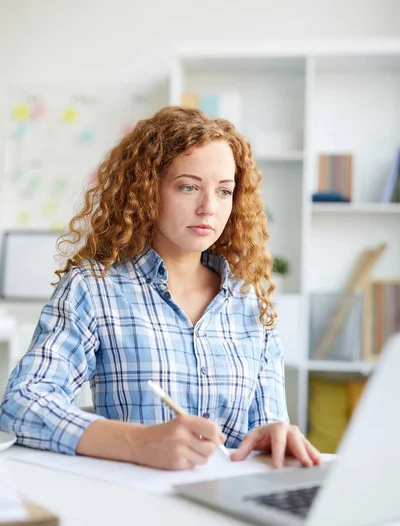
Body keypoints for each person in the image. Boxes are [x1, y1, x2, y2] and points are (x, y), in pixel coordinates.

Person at [0, 106, 321, 471]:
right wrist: (139, 443)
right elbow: (22, 403)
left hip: (231, 509)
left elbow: (265, 428)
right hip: (136, 509)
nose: (208, 208)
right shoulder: (95, 289)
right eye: (188, 187)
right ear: (148, 190)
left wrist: (273, 437)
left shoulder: (251, 304)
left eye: (224, 191)